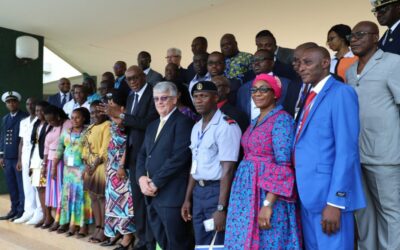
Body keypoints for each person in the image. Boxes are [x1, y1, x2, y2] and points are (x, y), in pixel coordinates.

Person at [294, 46, 365, 249]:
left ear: (325, 63)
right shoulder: (309, 95)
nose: (300, 67)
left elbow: (347, 152)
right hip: (308, 194)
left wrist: (336, 202)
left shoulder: (341, 93)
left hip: (329, 197)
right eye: (298, 62)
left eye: (307, 62)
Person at [225, 74, 302, 249]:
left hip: (266, 193)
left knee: (269, 238)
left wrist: (268, 204)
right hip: (246, 192)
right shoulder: (255, 121)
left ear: (275, 94)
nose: (257, 94)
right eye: (254, 90)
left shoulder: (282, 120)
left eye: (263, 89)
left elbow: (284, 166)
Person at [346, 21, 400, 250]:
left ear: (375, 37)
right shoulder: (349, 71)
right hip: (357, 154)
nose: (354, 39)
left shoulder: (393, 63)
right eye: (352, 36)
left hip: (385, 153)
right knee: (363, 212)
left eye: (360, 35)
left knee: (390, 212)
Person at [181, 81, 242, 246]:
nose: (198, 100)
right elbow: (195, 166)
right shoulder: (196, 127)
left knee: (216, 243)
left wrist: (221, 208)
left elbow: (228, 170)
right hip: (199, 193)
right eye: (195, 96)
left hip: (216, 192)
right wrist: (187, 199)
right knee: (201, 241)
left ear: (216, 97)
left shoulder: (226, 126)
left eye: (204, 96)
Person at [105, 65, 158, 250]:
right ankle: (141, 242)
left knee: (148, 202)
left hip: (149, 154)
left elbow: (150, 123)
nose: (133, 81)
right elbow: (129, 127)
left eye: (136, 77)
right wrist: (120, 120)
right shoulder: (130, 96)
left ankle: (151, 243)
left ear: (143, 76)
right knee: (137, 203)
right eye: (129, 79)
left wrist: (121, 116)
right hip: (134, 156)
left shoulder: (153, 93)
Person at [136, 81, 194, 250]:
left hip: (171, 194)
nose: (159, 102)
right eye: (156, 99)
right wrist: (141, 179)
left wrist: (155, 183)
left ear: (175, 99)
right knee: (161, 241)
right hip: (151, 194)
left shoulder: (183, 123)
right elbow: (142, 154)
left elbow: (179, 158)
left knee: (177, 243)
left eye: (164, 98)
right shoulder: (152, 125)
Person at [103, 89, 135, 250]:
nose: (109, 105)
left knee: (124, 201)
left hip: (123, 166)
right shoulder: (113, 117)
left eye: (111, 101)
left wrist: (121, 166)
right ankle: (120, 232)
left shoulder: (126, 118)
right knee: (113, 201)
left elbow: (128, 144)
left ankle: (128, 237)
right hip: (111, 166)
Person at [55, 107, 93, 237]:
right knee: (67, 196)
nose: (74, 120)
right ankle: (69, 222)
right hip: (68, 171)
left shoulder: (88, 131)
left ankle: (83, 225)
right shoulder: (66, 132)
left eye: (77, 117)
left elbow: (91, 151)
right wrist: (54, 166)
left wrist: (88, 168)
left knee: (81, 196)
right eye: (72, 117)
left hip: (81, 170)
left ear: (84, 118)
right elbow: (59, 149)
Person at [82, 100, 111, 243]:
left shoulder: (107, 125)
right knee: (93, 197)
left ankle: (105, 229)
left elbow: (105, 148)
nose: (95, 115)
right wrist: (86, 162)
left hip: (100, 166)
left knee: (101, 197)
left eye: (98, 111)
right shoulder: (91, 126)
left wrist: (93, 165)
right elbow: (85, 146)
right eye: (92, 112)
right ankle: (98, 227)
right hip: (90, 166)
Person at [236, 49, 292, 121]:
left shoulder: (287, 84)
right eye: (253, 60)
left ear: (272, 63)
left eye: (261, 59)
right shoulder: (243, 89)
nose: (256, 63)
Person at [43, 105, 71, 232]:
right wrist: (45, 165)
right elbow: (46, 147)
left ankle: (63, 220)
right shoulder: (51, 126)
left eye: (52, 120)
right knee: (53, 194)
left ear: (58, 116)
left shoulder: (67, 124)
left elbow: (64, 145)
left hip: (61, 162)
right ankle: (57, 218)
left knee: (62, 193)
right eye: (48, 121)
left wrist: (54, 165)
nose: (50, 123)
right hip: (51, 161)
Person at [0, 91, 28, 221]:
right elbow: (3, 137)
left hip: (18, 157)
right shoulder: (5, 118)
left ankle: (21, 210)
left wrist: (20, 158)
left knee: (20, 185)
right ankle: (13, 209)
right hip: (7, 157)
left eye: (13, 101)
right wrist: (1, 155)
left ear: (18, 102)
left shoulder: (24, 117)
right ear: (6, 104)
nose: (11, 103)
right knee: (11, 185)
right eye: (8, 102)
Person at [13, 97, 38, 224]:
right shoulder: (24, 121)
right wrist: (19, 160)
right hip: (25, 155)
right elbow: (21, 142)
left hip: (36, 155)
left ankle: (39, 212)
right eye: (28, 104)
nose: (30, 106)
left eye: (33, 103)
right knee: (26, 184)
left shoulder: (41, 121)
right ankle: (28, 211)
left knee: (36, 184)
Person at [28, 101, 52, 228]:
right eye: (37, 111)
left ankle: (48, 216)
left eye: (41, 110)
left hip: (44, 160)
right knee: (38, 188)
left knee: (44, 188)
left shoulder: (49, 125)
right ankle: (45, 215)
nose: (39, 113)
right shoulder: (37, 124)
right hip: (35, 159)